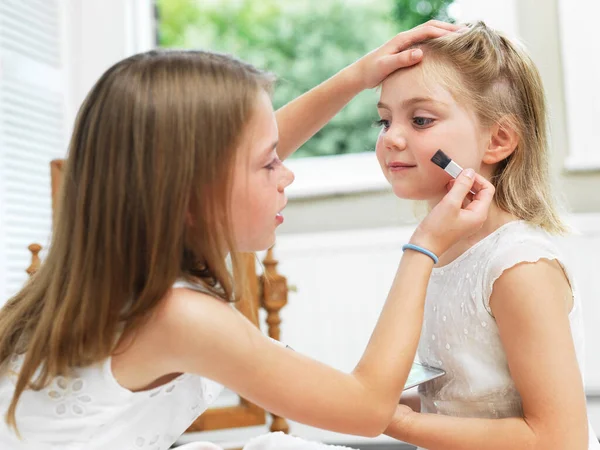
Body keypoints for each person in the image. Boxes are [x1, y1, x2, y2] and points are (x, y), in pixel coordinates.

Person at [0, 22, 494, 450]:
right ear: (190, 195)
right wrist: (424, 245)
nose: (287, 175)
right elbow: (365, 409)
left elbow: (235, 155)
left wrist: (356, 78)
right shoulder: (175, 315)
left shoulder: (100, 281)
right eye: (269, 163)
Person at [375, 21, 599, 449]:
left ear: (498, 140)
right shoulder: (440, 248)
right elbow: (461, 400)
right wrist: (361, 398)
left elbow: (559, 439)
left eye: (420, 120)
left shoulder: (518, 268)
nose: (391, 138)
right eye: (383, 120)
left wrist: (395, 422)